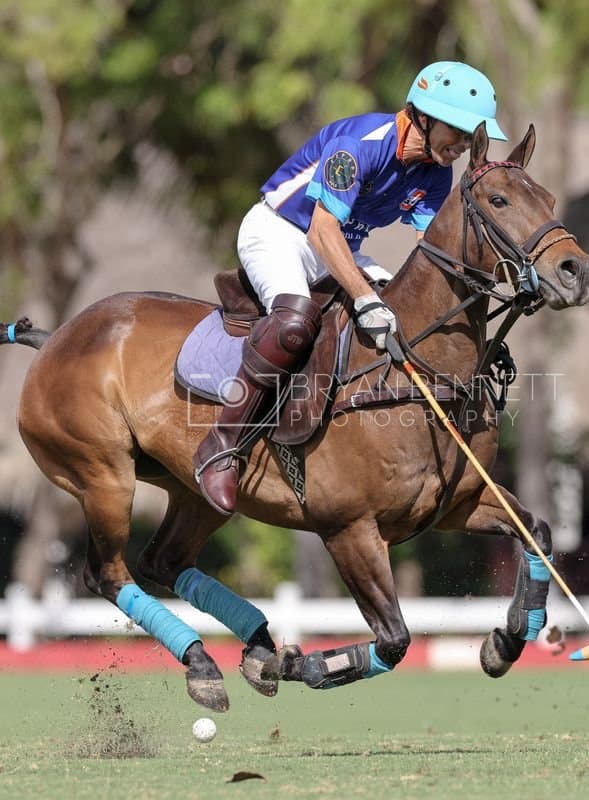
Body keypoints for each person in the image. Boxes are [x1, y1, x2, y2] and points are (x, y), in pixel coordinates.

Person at [195, 61, 508, 514]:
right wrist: (364, 297)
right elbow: (322, 230)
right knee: (294, 321)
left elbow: (432, 252)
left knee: (403, 316)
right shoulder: (358, 146)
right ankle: (221, 447)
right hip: (282, 232)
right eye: (457, 132)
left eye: (468, 136)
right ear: (422, 114)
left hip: (340, 247)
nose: (462, 145)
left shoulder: (436, 174)